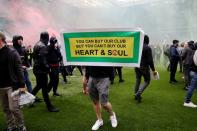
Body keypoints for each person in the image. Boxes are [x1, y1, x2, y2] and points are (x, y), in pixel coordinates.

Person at [0, 32, 27, 131]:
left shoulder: (12, 52)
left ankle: (21, 126)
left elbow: (19, 69)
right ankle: (11, 126)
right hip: (1, 86)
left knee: (14, 108)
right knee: (5, 108)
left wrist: (22, 84)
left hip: (12, 85)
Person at [83, 66, 117, 130]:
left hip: (104, 77)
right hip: (91, 76)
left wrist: (111, 76)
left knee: (104, 103)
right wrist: (86, 78)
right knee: (95, 101)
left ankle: (112, 115)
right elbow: (88, 61)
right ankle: (99, 120)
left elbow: (110, 61)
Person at [32, 32, 59, 112]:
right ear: (46, 38)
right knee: (44, 88)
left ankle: (30, 99)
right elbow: (43, 61)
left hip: (37, 69)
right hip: (41, 70)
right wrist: (48, 68)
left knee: (39, 85)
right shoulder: (43, 46)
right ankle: (49, 106)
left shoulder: (37, 44)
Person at [134, 35, 157, 103]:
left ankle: (136, 94)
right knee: (147, 81)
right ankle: (138, 93)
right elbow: (150, 60)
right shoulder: (147, 48)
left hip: (137, 66)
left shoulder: (137, 46)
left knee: (138, 80)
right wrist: (153, 70)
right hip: (144, 67)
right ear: (147, 40)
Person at [184, 44, 197, 108]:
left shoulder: (194, 51)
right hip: (195, 71)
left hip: (192, 71)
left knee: (192, 87)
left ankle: (187, 100)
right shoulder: (196, 52)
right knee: (192, 87)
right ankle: (187, 101)